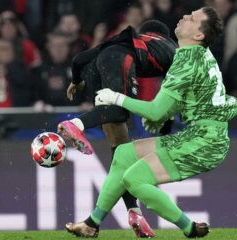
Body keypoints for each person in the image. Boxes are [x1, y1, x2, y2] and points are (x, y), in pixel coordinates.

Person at [64, 7, 237, 238]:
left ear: (198, 35)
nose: (185, 17)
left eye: (193, 18)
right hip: (199, 135)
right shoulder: (194, 55)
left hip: (205, 143)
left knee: (133, 179)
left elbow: (156, 111)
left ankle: (189, 227)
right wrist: (164, 114)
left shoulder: (187, 60)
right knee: (124, 155)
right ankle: (92, 223)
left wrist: (116, 98)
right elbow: (189, 100)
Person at [58, 20, 177, 237]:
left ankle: (134, 212)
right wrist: (165, 132)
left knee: (121, 151)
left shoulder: (130, 39)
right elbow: (171, 97)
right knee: (120, 112)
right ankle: (75, 124)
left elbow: (78, 59)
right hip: (120, 61)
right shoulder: (171, 49)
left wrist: (76, 81)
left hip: (97, 66)